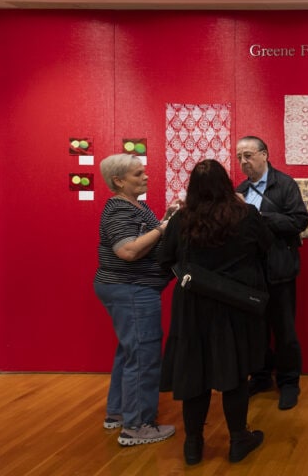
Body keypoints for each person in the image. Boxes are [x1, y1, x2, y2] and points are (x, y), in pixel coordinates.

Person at [158, 159, 274, 465]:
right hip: (234, 305)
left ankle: (193, 446)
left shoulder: (182, 219)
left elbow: (164, 258)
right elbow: (266, 247)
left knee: (194, 373)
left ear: (192, 188)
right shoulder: (245, 215)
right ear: (226, 183)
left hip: (192, 305)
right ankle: (238, 440)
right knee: (234, 372)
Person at [94, 153, 176, 446]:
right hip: (131, 289)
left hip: (129, 289)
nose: (146, 177)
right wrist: (162, 228)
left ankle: (117, 413)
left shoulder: (134, 206)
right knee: (142, 355)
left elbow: (148, 237)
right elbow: (127, 251)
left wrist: (166, 218)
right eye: (138, 174)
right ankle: (137, 426)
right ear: (118, 181)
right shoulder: (119, 210)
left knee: (130, 352)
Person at [235, 136, 308, 410]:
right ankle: (262, 376)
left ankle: (289, 383)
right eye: (239, 157)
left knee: (285, 331)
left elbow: (299, 221)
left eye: (248, 155)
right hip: (251, 273)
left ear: (264, 154)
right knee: (255, 331)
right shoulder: (240, 190)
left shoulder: (284, 185)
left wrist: (258, 216)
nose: (244, 162)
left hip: (280, 271)